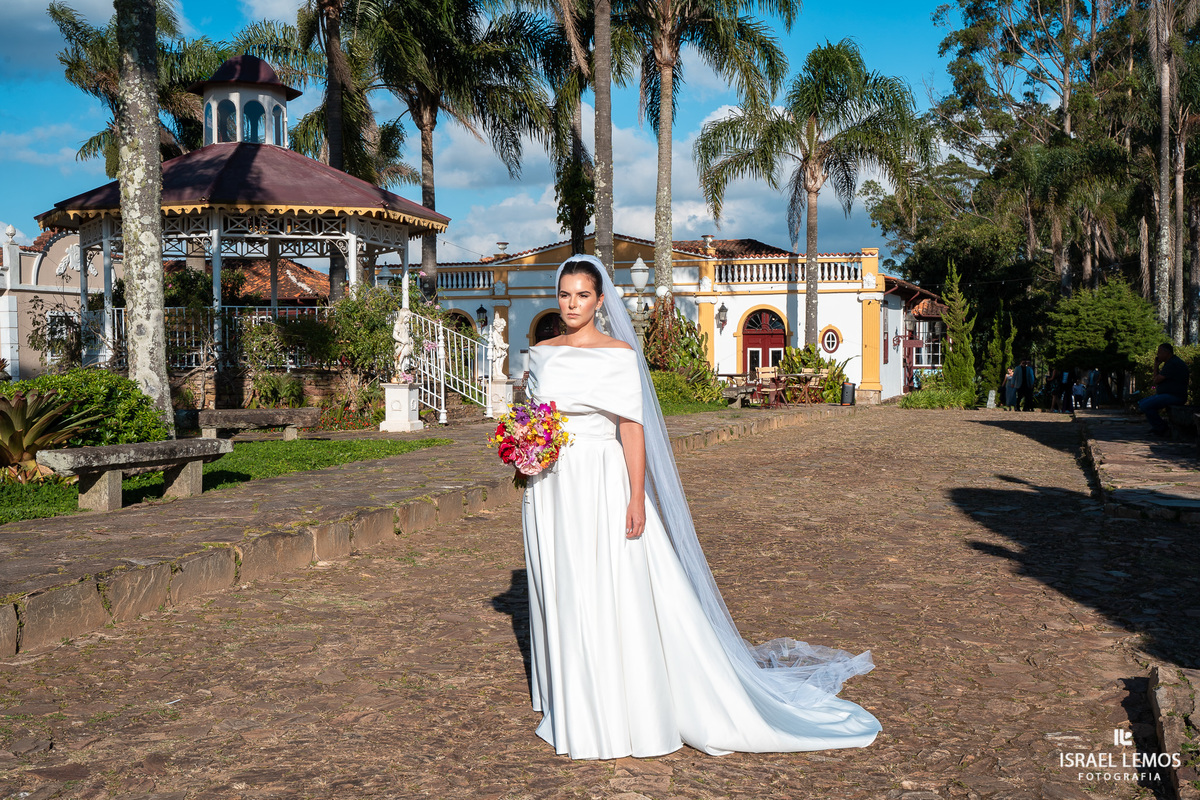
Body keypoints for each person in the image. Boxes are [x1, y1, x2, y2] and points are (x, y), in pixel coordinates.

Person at [520, 255, 880, 760]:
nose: (572, 304)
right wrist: (523, 453)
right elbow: (531, 417)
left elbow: (630, 427)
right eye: (564, 294)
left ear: (601, 300)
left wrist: (636, 495)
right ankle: (573, 696)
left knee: (607, 583)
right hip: (550, 487)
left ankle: (618, 704)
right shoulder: (540, 353)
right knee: (560, 584)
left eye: (583, 295)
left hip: (602, 479)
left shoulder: (618, 354)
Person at [1139, 343, 1190, 437]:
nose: (1157, 355)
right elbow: (1157, 380)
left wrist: (1155, 366)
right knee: (1142, 402)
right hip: (1169, 394)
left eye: (1159, 353)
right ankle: (1158, 427)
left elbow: (1157, 380)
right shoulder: (1170, 363)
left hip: (1175, 396)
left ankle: (1161, 428)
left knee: (1145, 405)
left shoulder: (1173, 364)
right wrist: (1157, 366)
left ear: (1166, 353)